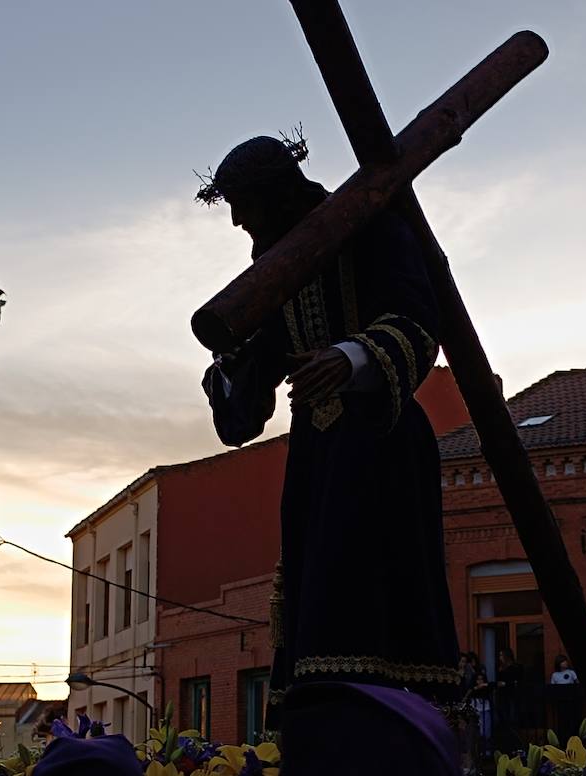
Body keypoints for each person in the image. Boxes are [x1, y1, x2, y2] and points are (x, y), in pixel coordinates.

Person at [198, 135, 460, 728]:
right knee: (318, 585)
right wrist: (231, 371)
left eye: (243, 204)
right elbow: (260, 360)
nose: (238, 220)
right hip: (318, 451)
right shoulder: (277, 269)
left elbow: (418, 319)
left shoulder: (372, 224)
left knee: (380, 576)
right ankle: (323, 723)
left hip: (383, 439)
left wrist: (352, 358)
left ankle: (395, 724)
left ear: (275, 193)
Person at [547, 655, 582, 744]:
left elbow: (577, 683)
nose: (565, 663)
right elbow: (553, 687)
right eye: (563, 661)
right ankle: (563, 739)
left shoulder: (571, 673)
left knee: (572, 719)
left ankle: (574, 738)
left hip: (571, 700)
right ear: (559, 663)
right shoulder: (555, 675)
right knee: (563, 720)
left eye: (566, 661)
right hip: (561, 701)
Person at [493, 648, 523, 750]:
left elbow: (517, 682)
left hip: (511, 697)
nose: (500, 658)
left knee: (512, 720)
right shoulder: (501, 668)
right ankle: (507, 745)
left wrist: (506, 684)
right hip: (502, 697)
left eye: (501, 655)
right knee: (504, 721)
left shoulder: (515, 667)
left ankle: (516, 745)